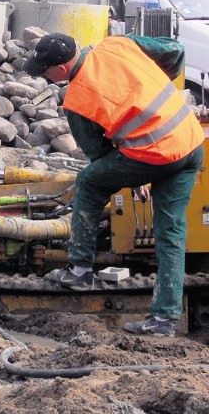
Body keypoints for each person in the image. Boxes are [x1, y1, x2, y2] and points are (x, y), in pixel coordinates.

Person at [23, 32, 204, 337]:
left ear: (62, 69)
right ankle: (164, 320)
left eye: (45, 70)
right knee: (170, 233)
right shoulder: (116, 44)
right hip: (189, 144)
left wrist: (132, 175)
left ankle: (79, 269)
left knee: (90, 183)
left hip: (154, 154)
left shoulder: (77, 99)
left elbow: (100, 157)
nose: (43, 75)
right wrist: (156, 87)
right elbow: (175, 49)